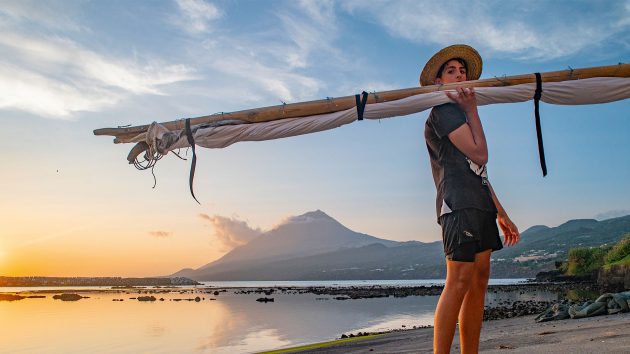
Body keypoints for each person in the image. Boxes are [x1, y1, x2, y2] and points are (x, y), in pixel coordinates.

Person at [421, 44, 521, 354]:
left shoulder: (461, 115)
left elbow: (479, 168)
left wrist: (500, 212)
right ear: (439, 82)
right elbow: (481, 152)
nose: (459, 75)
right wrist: (473, 110)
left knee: (479, 282)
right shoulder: (444, 112)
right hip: (458, 202)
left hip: (480, 202)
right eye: (451, 71)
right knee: (459, 280)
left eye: (462, 71)